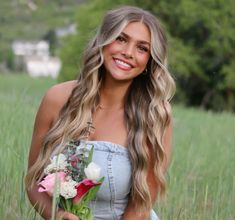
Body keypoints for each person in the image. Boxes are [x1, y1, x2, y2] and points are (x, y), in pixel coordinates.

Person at [25, 5, 175, 220]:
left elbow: (141, 206)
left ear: (149, 62)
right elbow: (32, 181)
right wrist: (58, 215)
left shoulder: (156, 115)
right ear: (103, 41)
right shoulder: (56, 99)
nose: (128, 52)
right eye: (121, 39)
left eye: (142, 48)